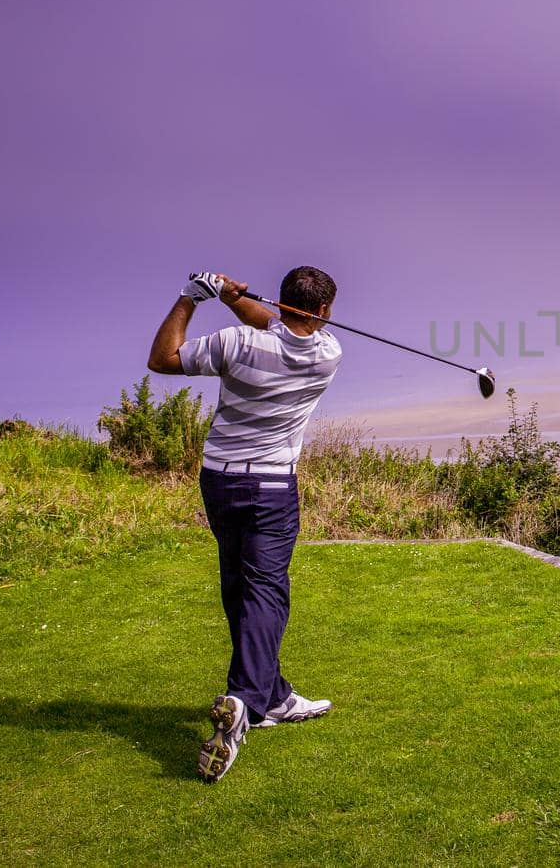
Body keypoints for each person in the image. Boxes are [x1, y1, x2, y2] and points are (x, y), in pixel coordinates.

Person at [147, 267, 344, 781]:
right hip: (273, 488)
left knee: (238, 586)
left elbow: (163, 359)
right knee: (267, 593)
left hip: (218, 482)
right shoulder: (328, 355)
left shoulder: (235, 343)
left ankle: (274, 696)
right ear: (323, 312)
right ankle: (244, 698)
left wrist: (196, 297)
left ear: (281, 302)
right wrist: (235, 301)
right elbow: (278, 327)